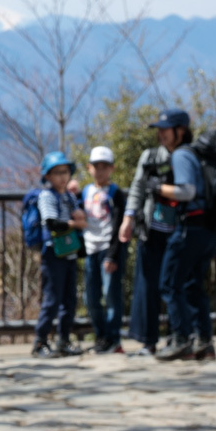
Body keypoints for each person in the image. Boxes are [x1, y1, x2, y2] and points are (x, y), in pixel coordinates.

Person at [146, 109, 216, 362]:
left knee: (170, 283)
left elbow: (186, 192)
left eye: (165, 129)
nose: (160, 134)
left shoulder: (181, 155)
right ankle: (204, 342)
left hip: (190, 228)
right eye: (159, 129)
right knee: (193, 285)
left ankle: (181, 340)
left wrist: (158, 187)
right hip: (207, 229)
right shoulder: (196, 155)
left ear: (181, 131)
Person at [119, 135, 175, 357]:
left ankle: (177, 337)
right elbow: (137, 187)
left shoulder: (187, 156)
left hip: (180, 232)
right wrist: (128, 218)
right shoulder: (149, 156)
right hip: (150, 230)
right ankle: (147, 341)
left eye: (167, 129)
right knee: (146, 287)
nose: (163, 134)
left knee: (175, 288)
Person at [33, 152, 87, 359]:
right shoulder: (47, 196)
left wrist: (79, 217)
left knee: (69, 300)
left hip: (69, 253)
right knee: (52, 299)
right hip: (53, 253)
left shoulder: (69, 197)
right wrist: (76, 223)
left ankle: (63, 340)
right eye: (56, 173)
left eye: (65, 172)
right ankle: (40, 341)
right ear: (48, 176)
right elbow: (51, 222)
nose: (62, 177)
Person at [81, 147, 127, 354]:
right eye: (96, 166)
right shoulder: (85, 192)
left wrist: (113, 254)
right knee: (90, 298)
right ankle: (101, 336)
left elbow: (118, 225)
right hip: (90, 249)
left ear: (111, 169)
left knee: (111, 295)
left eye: (104, 167)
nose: (100, 171)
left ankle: (113, 338)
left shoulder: (116, 193)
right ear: (89, 168)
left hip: (109, 249)